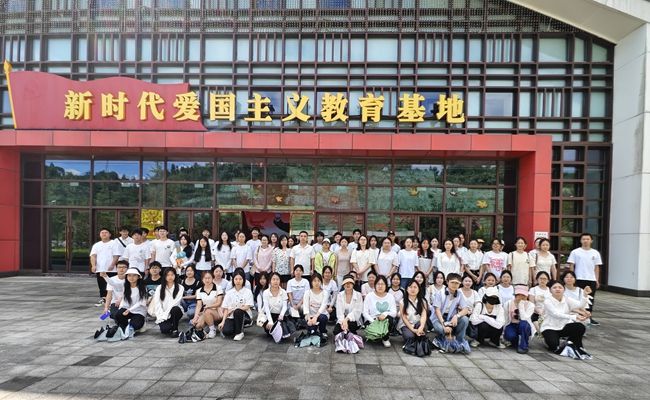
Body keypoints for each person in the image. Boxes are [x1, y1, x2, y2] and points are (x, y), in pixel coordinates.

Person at [541, 280, 592, 359]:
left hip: (563, 326)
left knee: (580, 327)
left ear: (563, 289)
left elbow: (580, 305)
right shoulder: (547, 301)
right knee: (554, 346)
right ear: (550, 290)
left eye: (560, 287)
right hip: (549, 328)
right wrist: (574, 317)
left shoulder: (567, 299)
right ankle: (549, 341)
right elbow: (556, 314)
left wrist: (585, 294)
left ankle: (572, 343)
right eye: (554, 287)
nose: (557, 289)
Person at [430, 273, 471, 353]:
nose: (454, 285)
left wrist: (457, 316)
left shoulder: (459, 294)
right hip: (438, 319)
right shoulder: (440, 293)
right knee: (440, 329)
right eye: (452, 282)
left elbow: (466, 309)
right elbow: (437, 310)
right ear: (447, 282)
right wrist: (444, 325)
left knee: (465, 319)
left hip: (451, 319)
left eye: (457, 283)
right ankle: (442, 339)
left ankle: (459, 341)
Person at [567, 233, 602, 325]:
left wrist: (597, 279)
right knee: (578, 298)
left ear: (591, 241)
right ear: (581, 240)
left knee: (590, 299)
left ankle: (588, 317)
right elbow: (571, 266)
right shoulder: (575, 252)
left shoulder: (595, 253)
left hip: (591, 279)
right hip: (579, 278)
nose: (585, 241)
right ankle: (578, 316)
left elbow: (596, 267)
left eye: (587, 239)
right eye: (584, 239)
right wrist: (572, 278)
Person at [219, 269, 254, 341]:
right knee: (227, 331)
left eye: (240, 279)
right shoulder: (229, 293)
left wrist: (234, 310)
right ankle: (237, 327)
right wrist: (223, 322)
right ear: (233, 280)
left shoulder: (248, 292)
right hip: (231, 316)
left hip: (244, 316)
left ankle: (239, 333)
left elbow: (247, 306)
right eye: (236, 279)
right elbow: (226, 309)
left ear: (243, 280)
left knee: (237, 311)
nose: (238, 281)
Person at [363, 275, 397, 347]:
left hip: (384, 320)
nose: (380, 286)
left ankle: (385, 338)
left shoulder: (390, 296)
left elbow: (394, 313)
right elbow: (365, 313)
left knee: (390, 319)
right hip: (372, 321)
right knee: (375, 339)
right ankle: (376, 335)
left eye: (382, 284)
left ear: (386, 285)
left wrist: (385, 313)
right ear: (375, 285)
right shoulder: (369, 296)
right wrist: (373, 321)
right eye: (378, 284)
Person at [114, 268, 148, 338]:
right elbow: (124, 300)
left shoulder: (143, 287)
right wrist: (121, 309)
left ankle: (139, 323)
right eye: (129, 275)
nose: (131, 278)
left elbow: (141, 302)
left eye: (134, 275)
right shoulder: (125, 286)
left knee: (135, 325)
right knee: (118, 314)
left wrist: (130, 310)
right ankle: (124, 327)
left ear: (138, 277)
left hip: (139, 311)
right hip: (127, 309)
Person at [90, 227, 120, 306]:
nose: (104, 234)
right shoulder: (97, 245)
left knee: (111, 284)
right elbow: (93, 256)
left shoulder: (114, 243)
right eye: (102, 233)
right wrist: (93, 265)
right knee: (102, 284)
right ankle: (104, 299)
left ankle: (112, 300)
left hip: (111, 269)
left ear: (110, 234)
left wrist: (112, 265)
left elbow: (116, 255)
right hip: (100, 269)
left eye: (106, 232)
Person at [503, 285, 536, 354]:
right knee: (510, 335)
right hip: (512, 324)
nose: (521, 297)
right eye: (519, 295)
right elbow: (505, 318)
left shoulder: (531, 305)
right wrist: (503, 331)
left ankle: (523, 346)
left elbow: (524, 318)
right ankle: (517, 341)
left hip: (525, 325)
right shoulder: (508, 303)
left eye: (524, 295)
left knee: (523, 324)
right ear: (515, 295)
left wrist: (521, 305)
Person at [399, 279, 430, 351]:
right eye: (410, 287)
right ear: (407, 289)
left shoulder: (423, 301)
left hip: (418, 323)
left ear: (419, 289)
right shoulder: (402, 302)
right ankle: (417, 338)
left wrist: (421, 327)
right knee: (409, 336)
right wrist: (412, 329)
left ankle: (418, 337)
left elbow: (424, 315)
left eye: (415, 287)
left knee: (422, 328)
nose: (413, 289)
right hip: (406, 325)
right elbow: (404, 318)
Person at [192, 270, 224, 339]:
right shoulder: (199, 291)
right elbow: (199, 305)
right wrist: (195, 316)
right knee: (198, 326)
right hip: (206, 311)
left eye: (209, 278)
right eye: (205, 278)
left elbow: (219, 303)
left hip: (218, 311)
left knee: (207, 311)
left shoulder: (218, 288)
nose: (207, 280)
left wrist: (209, 306)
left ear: (212, 278)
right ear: (202, 279)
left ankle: (212, 330)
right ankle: (209, 324)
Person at [153, 268, 184, 337]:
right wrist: (161, 316)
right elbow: (157, 303)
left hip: (174, 312)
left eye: (172, 275)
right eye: (168, 275)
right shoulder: (159, 288)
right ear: (164, 276)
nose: (170, 277)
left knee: (175, 309)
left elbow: (175, 302)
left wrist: (166, 314)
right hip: (163, 314)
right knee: (165, 330)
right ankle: (170, 326)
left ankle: (175, 329)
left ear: (175, 275)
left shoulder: (180, 287)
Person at [303, 273, 330, 339]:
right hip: (310, 316)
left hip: (321, 315)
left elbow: (323, 306)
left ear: (321, 282)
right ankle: (313, 331)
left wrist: (315, 317)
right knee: (311, 333)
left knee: (322, 318)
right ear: (311, 282)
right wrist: (309, 319)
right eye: (314, 281)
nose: (317, 283)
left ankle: (323, 331)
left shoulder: (325, 293)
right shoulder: (307, 292)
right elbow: (305, 306)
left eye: (318, 281)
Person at [262, 272, 289, 339]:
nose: (275, 281)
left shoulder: (283, 292)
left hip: (279, 316)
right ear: (270, 281)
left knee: (283, 331)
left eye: (277, 279)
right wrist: (270, 321)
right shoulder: (265, 292)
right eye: (273, 279)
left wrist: (281, 315)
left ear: (280, 281)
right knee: (269, 330)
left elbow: (285, 306)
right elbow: (266, 308)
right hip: (269, 315)